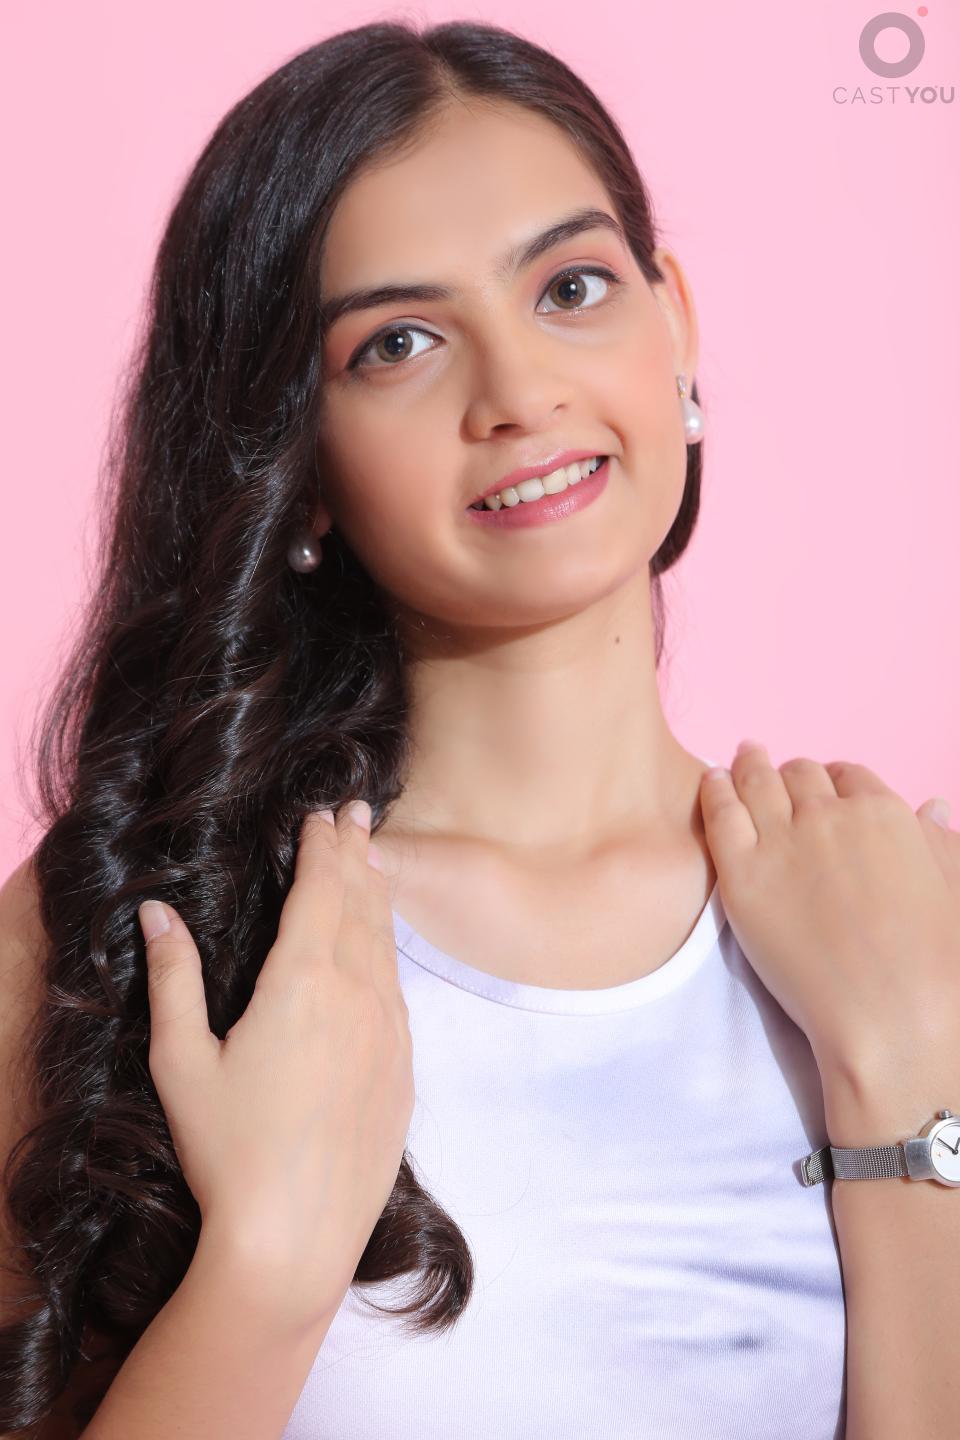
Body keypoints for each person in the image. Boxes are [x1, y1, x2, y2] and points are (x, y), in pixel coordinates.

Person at [3, 18, 951, 1440]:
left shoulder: (914, 933)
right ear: (295, 459)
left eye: (572, 287)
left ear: (677, 325)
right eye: (398, 343)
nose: (518, 396)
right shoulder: (128, 940)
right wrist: (268, 1267)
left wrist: (912, 1089)